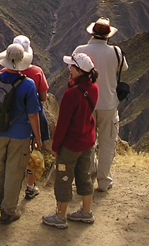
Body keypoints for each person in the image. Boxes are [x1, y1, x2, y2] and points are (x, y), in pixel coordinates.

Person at [0, 43, 42, 225]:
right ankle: (8, 212)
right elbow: (33, 113)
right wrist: (37, 137)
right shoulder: (28, 84)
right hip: (20, 135)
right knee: (14, 172)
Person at [42, 52, 99, 229]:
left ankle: (60, 216)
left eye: (71, 67)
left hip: (71, 144)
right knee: (84, 176)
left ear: (80, 70)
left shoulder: (71, 95)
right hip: (87, 141)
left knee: (64, 178)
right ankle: (86, 212)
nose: (69, 69)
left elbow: (63, 124)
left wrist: (55, 146)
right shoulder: (94, 88)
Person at [73, 17, 127, 192]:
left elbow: (72, 71)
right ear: (108, 36)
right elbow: (123, 69)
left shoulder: (80, 50)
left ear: (92, 34)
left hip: (86, 103)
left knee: (88, 141)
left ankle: (89, 174)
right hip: (108, 103)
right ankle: (104, 181)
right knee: (107, 142)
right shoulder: (116, 53)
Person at [12, 34, 50, 199]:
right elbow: (43, 97)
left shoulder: (4, 73)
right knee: (32, 154)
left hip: (12, 120)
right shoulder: (36, 72)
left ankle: (11, 186)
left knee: (13, 153)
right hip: (32, 118)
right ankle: (30, 185)